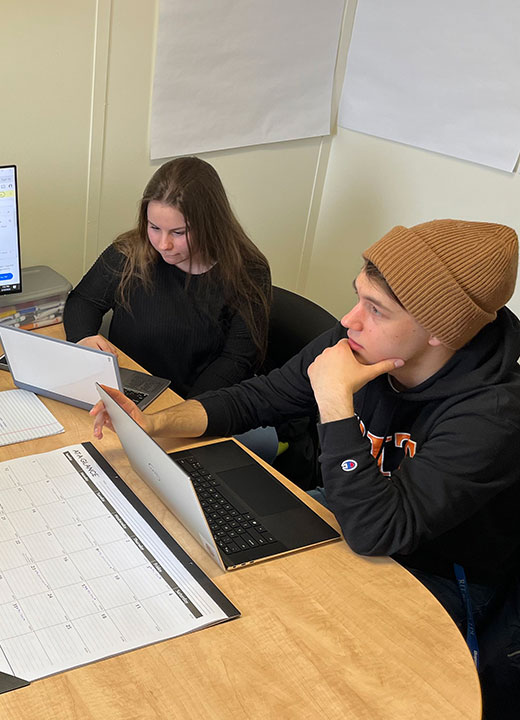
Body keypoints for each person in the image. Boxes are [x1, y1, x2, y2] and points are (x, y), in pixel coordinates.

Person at [91, 219, 520, 714]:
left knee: (308, 674)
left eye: (375, 310)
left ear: (440, 331)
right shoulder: (361, 342)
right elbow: (261, 397)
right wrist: (156, 423)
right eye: (358, 297)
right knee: (206, 583)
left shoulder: (494, 413)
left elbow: (379, 532)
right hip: (350, 516)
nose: (349, 320)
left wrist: (335, 399)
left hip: (438, 573)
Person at [64, 156, 272, 399]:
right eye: (154, 227)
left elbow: (236, 361)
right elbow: (84, 301)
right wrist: (83, 339)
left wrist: (180, 414)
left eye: (178, 232)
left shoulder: (247, 271)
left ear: (210, 225)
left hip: (198, 401)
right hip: (128, 391)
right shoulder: (130, 251)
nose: (164, 244)